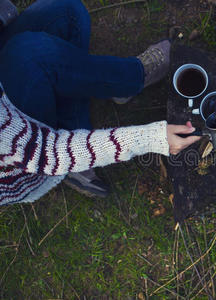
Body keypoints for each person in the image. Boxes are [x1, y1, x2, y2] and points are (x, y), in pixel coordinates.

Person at [0, 0, 201, 204]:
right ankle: (75, 159)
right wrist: (153, 137)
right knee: (27, 56)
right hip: (30, 157)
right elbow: (50, 152)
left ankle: (100, 93)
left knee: (68, 13)